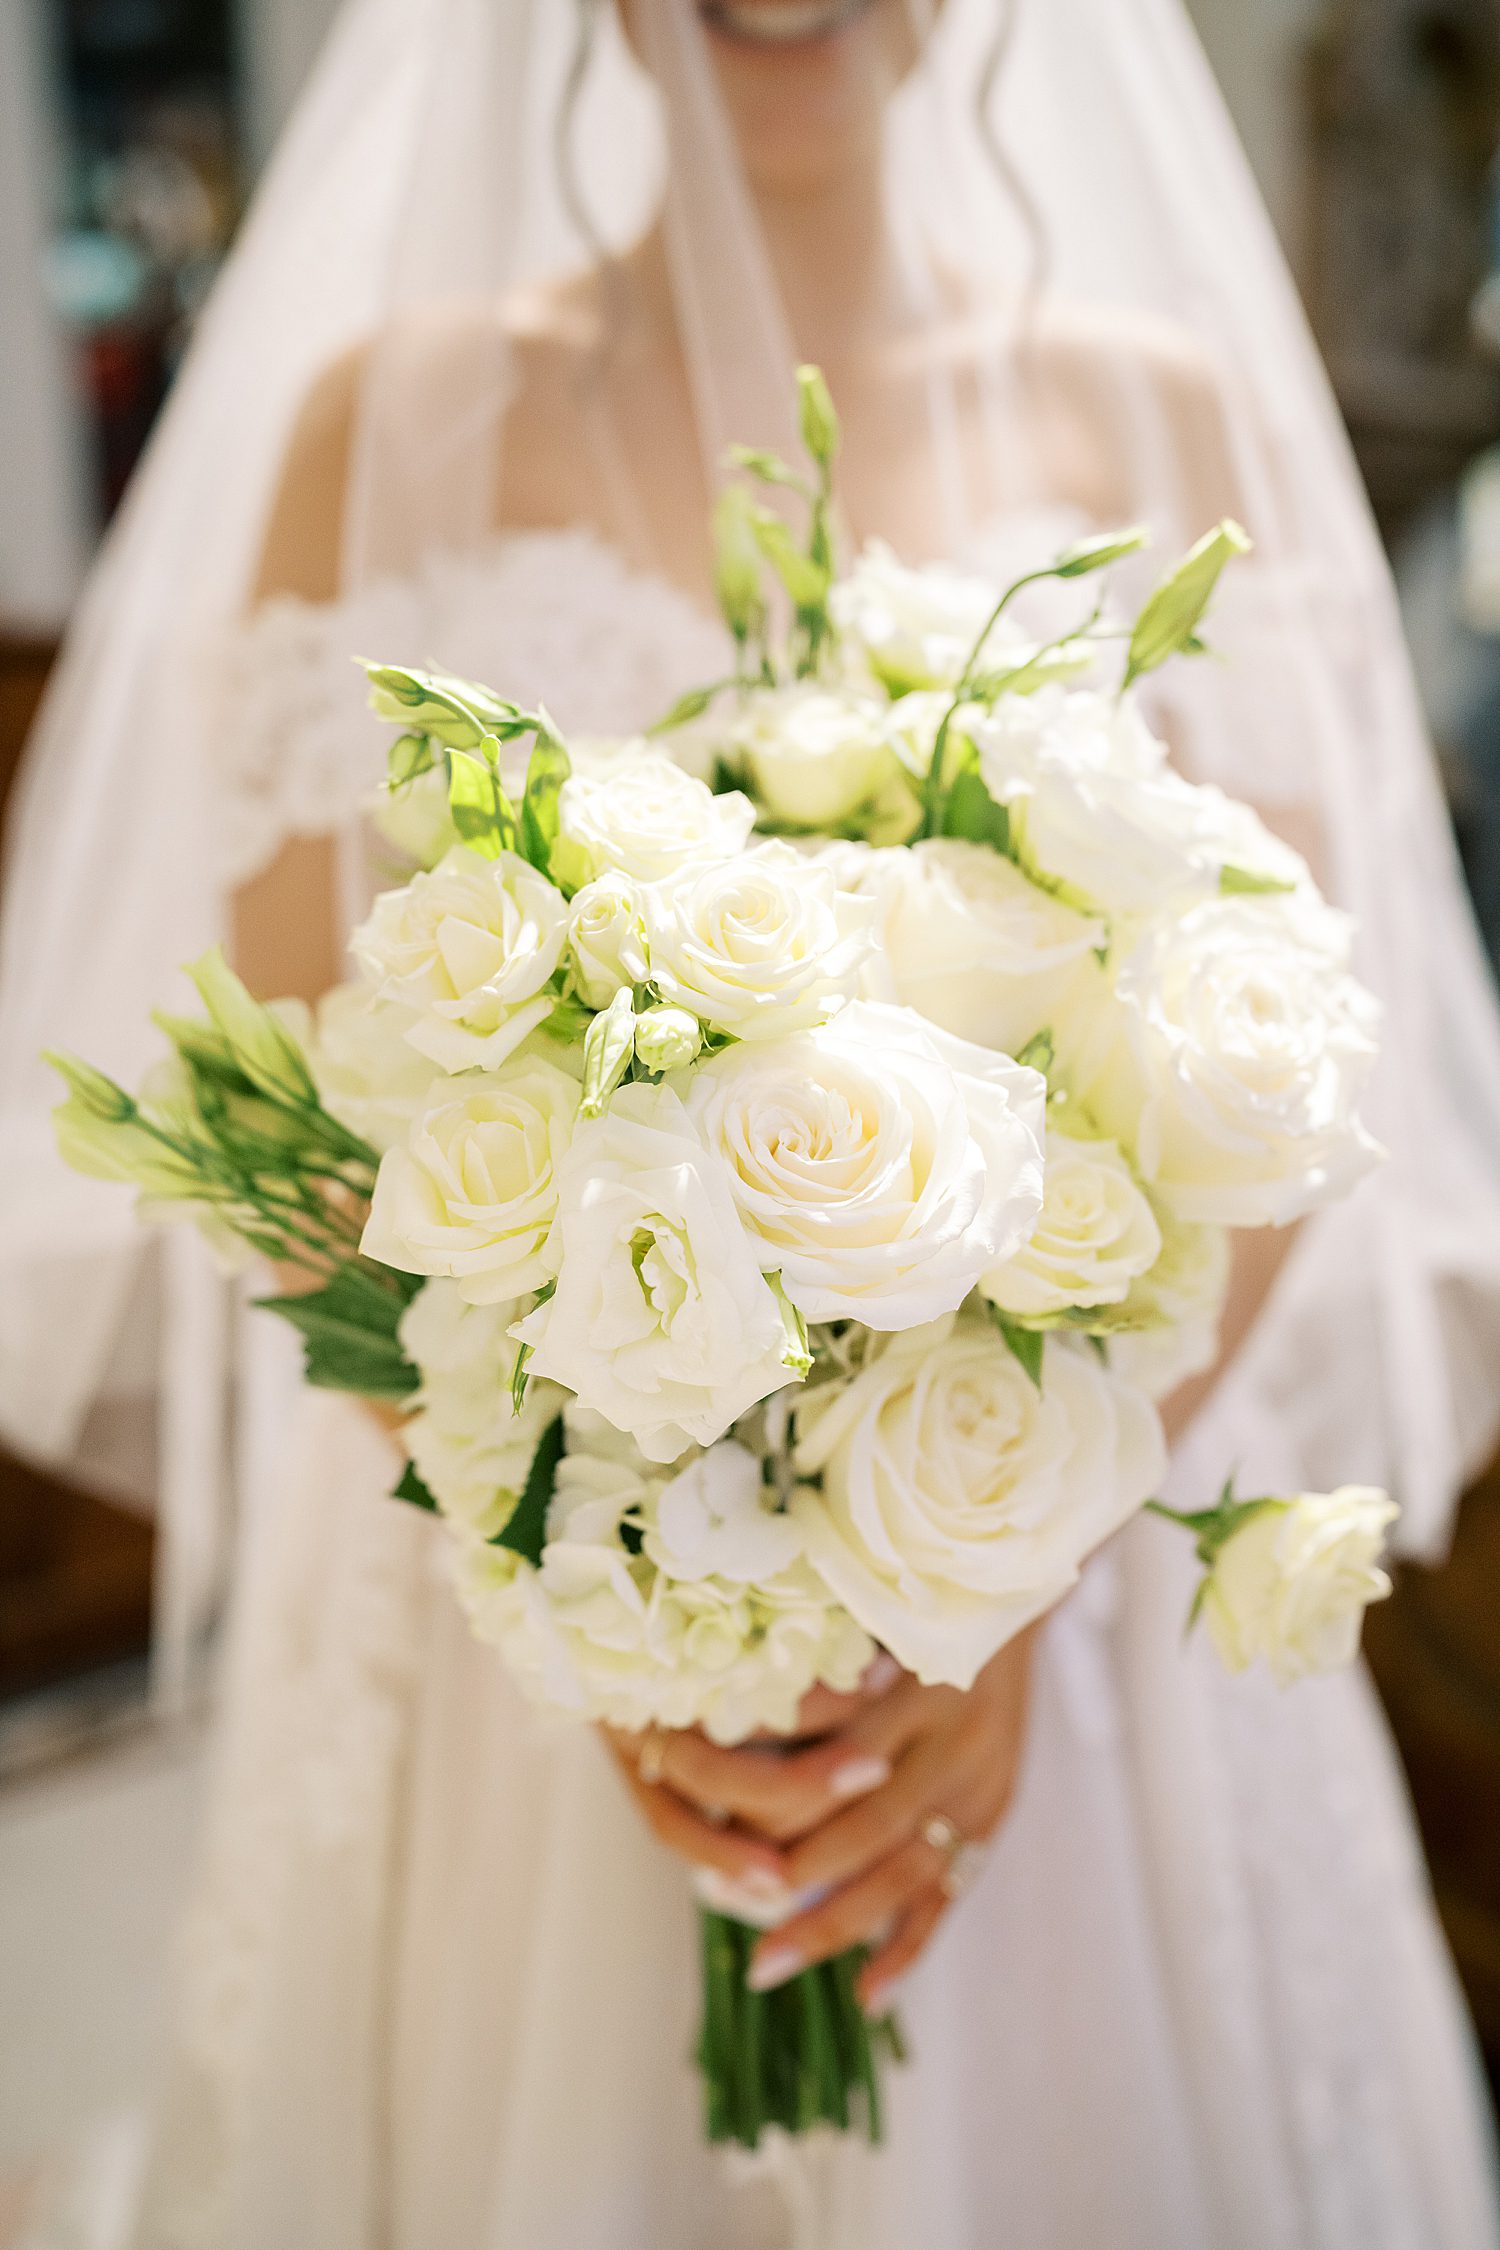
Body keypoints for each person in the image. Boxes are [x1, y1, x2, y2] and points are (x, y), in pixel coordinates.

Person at [4, 2, 1500, 2243]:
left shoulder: (1163, 414)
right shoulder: (378, 430)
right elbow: (317, 1137)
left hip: (1071, 1612)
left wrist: (1010, 1569)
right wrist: (612, 1596)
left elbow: (1283, 1066)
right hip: (517, 1652)